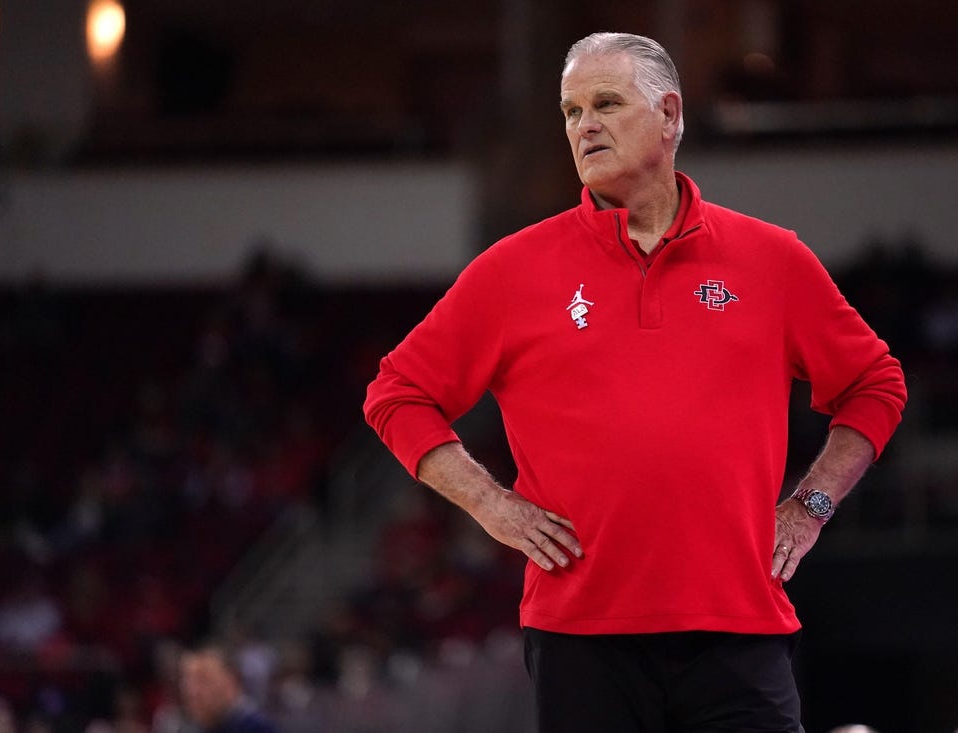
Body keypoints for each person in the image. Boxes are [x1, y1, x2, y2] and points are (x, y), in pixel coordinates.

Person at [363, 31, 906, 733]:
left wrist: (811, 505)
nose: (583, 126)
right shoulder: (512, 270)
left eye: (606, 103)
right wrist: (492, 505)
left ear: (671, 114)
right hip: (581, 635)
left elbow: (875, 383)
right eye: (570, 111)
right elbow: (396, 393)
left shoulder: (772, 259)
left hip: (738, 625)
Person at [178, 644, 279, 733]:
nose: (192, 691)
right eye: (188, 680)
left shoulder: (257, 728)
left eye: (203, 679)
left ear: (232, 681)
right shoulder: (187, 728)